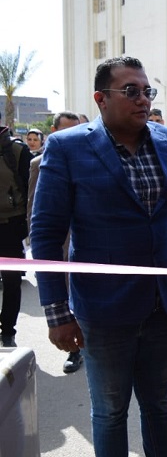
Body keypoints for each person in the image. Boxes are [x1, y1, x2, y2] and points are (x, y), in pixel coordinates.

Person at [30, 56, 167, 457]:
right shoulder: (67, 147)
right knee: (110, 411)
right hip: (102, 310)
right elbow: (46, 234)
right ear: (101, 98)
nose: (143, 99)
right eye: (131, 91)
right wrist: (57, 312)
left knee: (159, 402)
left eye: (147, 91)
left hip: (163, 305)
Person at [27, 110, 82, 372]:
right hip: (58, 244)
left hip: (84, 243)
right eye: (65, 130)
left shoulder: (87, 160)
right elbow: (34, 210)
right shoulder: (39, 164)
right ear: (53, 131)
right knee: (64, 293)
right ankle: (74, 350)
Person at [0, 125, 32, 348]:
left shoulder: (16, 150)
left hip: (9, 225)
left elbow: (31, 189)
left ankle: (7, 331)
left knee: (11, 281)